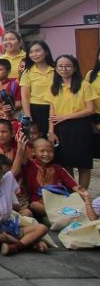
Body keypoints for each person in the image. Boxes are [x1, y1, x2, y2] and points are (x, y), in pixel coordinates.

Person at [0, 152, 48, 255]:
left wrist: (20, 150)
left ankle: (16, 246)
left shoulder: (3, 187)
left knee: (42, 228)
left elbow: (14, 171)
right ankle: (29, 243)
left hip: (10, 226)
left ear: (2, 178)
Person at [46, 55, 96, 188]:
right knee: (66, 164)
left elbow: (90, 109)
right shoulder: (54, 87)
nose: (64, 69)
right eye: (60, 66)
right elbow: (52, 111)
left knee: (83, 165)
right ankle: (73, 193)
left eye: (68, 66)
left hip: (81, 127)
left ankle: (84, 194)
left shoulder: (84, 86)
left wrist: (65, 116)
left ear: (74, 68)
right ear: (56, 69)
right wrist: (51, 131)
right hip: (61, 128)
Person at [20, 41, 56, 136]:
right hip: (36, 109)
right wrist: (28, 116)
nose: (34, 54)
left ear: (46, 52)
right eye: (31, 52)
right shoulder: (27, 72)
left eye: (37, 51)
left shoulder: (56, 70)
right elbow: (25, 97)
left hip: (57, 108)